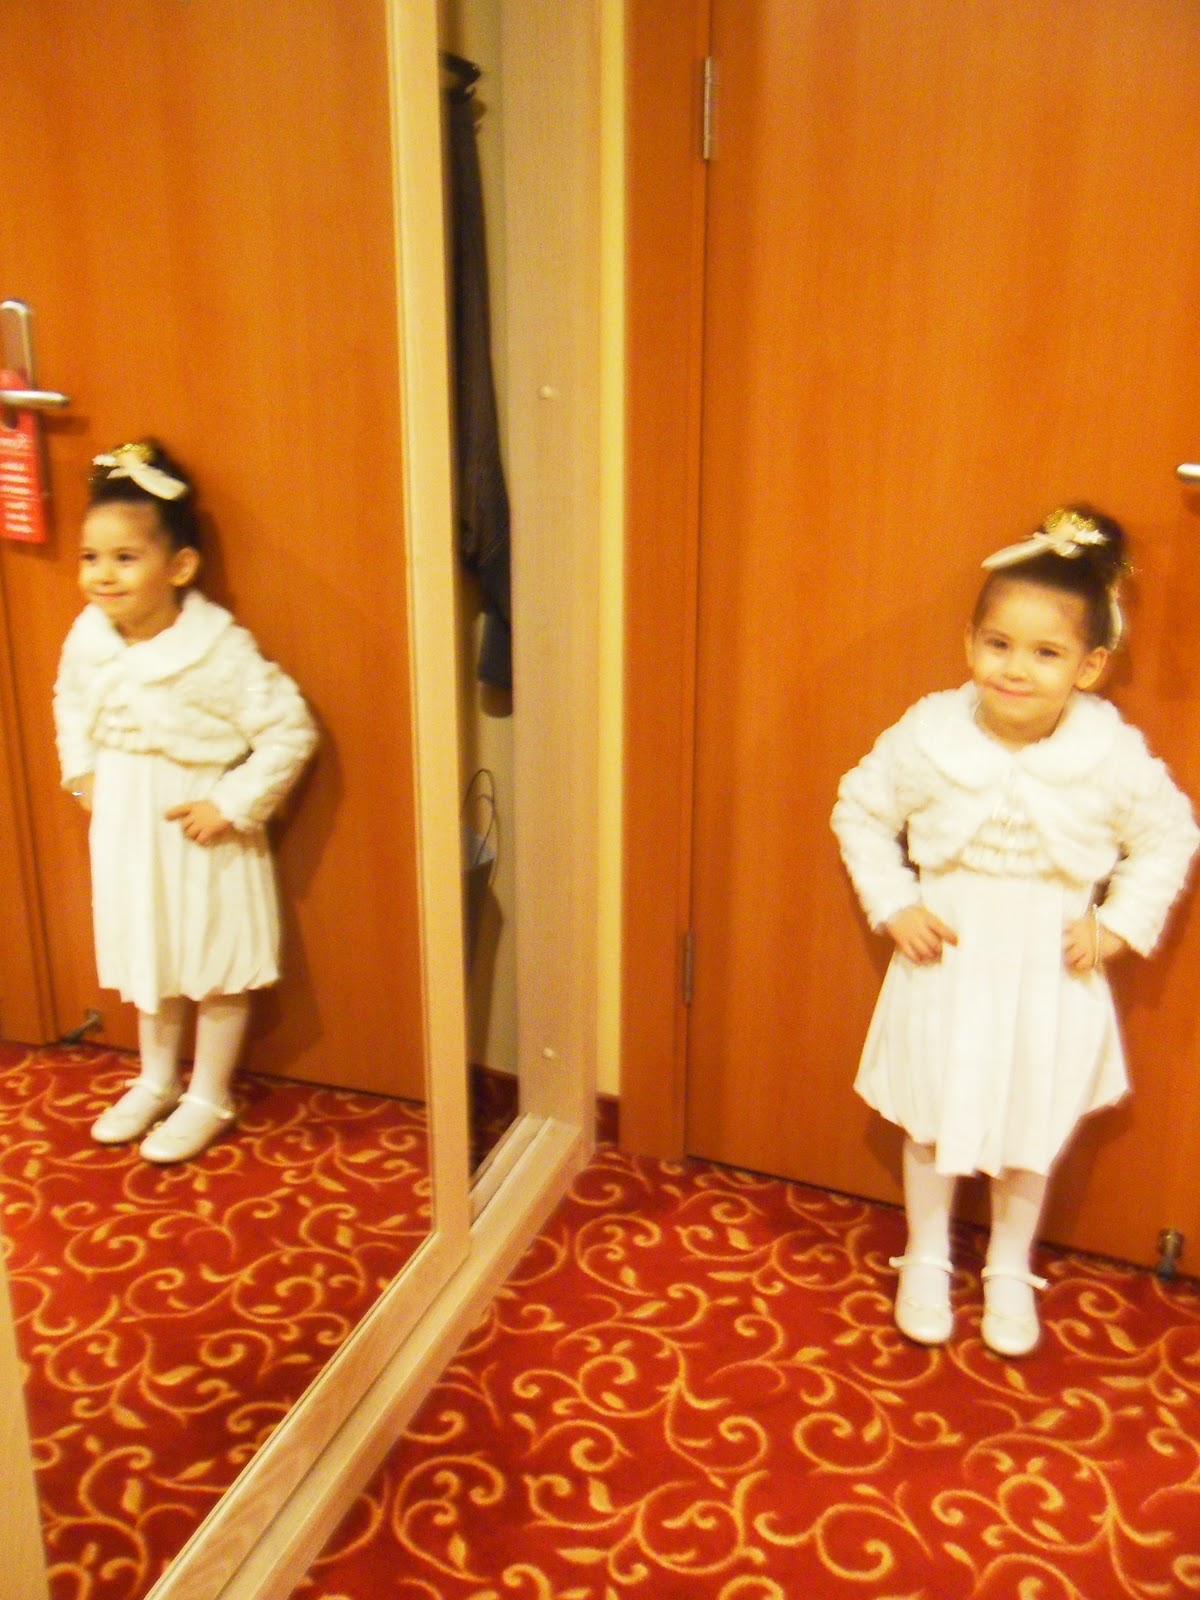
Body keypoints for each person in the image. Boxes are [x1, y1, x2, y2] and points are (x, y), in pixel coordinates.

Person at [831, 506, 1198, 1357]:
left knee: (1033, 1118)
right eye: (998, 644)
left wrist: (1119, 925)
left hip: (1048, 971)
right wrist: (894, 901)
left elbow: (1169, 835)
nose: (1016, 669)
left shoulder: (1109, 756)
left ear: (1090, 666)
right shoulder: (930, 734)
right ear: (970, 644)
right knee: (929, 1110)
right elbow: (860, 808)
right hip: (946, 960)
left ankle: (1007, 1263)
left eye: (1046, 653)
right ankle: (927, 1254)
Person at [54, 440, 318, 1163]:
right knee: (152, 947)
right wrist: (83, 774)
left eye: (125, 557)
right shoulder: (89, 640)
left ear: (179, 567)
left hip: (201, 829)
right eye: (90, 557)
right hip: (126, 824)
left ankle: (210, 1093)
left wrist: (232, 802)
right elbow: (70, 703)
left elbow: (289, 730)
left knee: (211, 954)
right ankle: (157, 1079)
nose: (103, 574)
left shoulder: (217, 650)